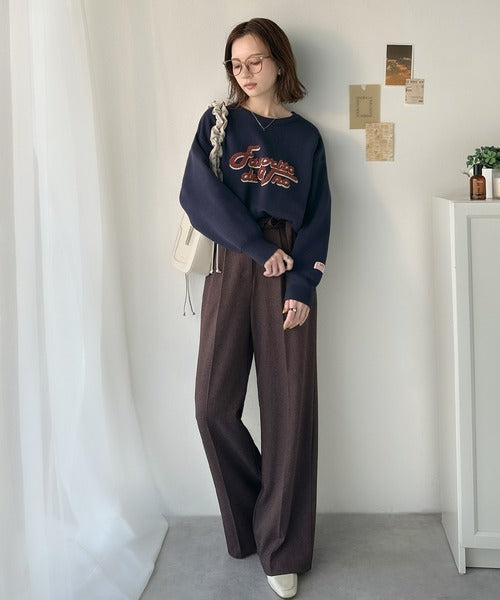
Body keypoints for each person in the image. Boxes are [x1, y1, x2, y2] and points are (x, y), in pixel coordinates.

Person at [179, 17, 331, 599]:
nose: (245, 73)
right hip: (233, 261)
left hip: (288, 268)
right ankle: (256, 521)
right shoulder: (219, 122)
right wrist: (255, 247)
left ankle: (283, 546)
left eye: (255, 61)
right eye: (236, 64)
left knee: (289, 410)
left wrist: (302, 286)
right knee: (211, 406)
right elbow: (197, 193)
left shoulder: (306, 138)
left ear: (279, 62)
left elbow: (318, 216)